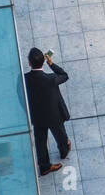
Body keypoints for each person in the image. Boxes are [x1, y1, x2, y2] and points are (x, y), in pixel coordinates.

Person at [24, 47, 71, 176]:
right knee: (61, 136)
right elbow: (64, 75)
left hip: (37, 116)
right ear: (43, 61)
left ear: (29, 63)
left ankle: (44, 167)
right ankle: (63, 151)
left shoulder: (25, 79)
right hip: (54, 115)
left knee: (40, 141)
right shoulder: (51, 78)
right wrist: (51, 64)